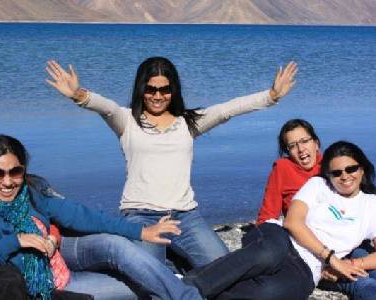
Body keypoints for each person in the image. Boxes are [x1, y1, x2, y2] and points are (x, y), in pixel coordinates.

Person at [45, 57, 298, 269]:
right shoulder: (127, 122)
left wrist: (272, 95)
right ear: (141, 90)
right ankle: (173, 263)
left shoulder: (187, 123)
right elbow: (107, 108)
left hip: (185, 217)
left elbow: (225, 110)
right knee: (151, 279)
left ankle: (177, 261)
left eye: (164, 89)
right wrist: (78, 94)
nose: (157, 96)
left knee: (225, 270)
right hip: (141, 217)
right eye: (151, 89)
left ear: (173, 90)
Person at [183, 141, 376, 300]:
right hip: (282, 239)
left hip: (311, 267)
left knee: (274, 293)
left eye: (351, 169)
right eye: (336, 172)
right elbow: (293, 222)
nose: (344, 176)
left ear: (362, 169)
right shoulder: (317, 186)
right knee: (266, 255)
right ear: (328, 174)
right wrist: (332, 257)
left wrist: (351, 264)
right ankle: (187, 287)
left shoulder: (373, 204)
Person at [0, 134, 202, 300]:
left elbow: (79, 215)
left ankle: (187, 295)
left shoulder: (29, 193)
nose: (7, 182)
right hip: (50, 284)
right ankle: (174, 282)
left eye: (15, 172)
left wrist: (140, 232)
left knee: (112, 243)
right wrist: (15, 241)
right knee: (141, 289)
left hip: (59, 256)